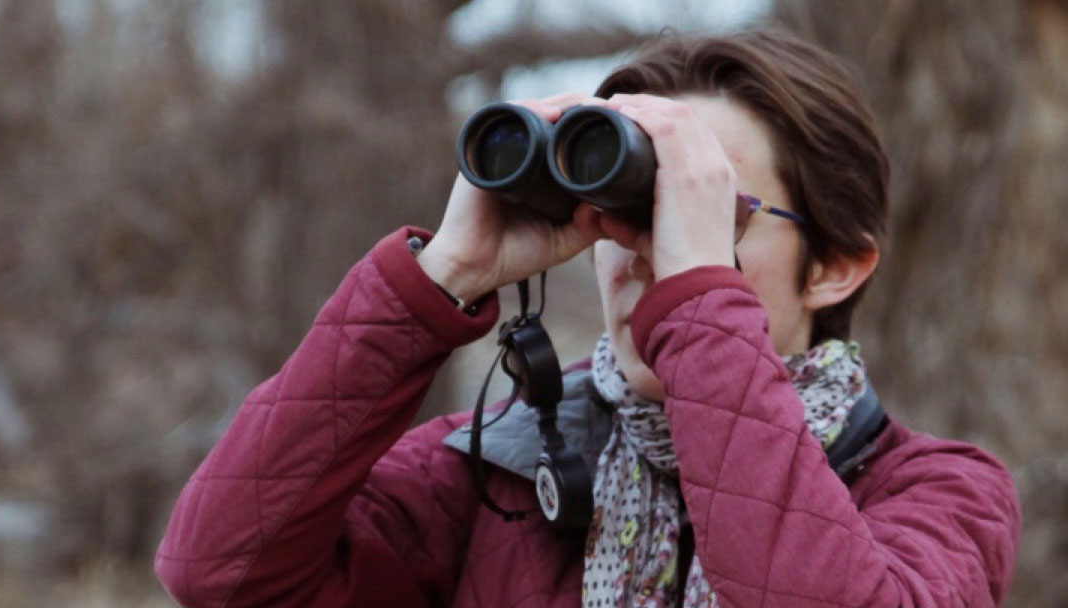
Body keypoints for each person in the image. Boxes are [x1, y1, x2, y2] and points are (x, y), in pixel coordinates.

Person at [155, 28, 1020, 607]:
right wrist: (442, 276)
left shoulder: (941, 496)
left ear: (834, 267)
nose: (651, 251)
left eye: (712, 210)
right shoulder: (496, 471)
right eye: (633, 208)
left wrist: (698, 298)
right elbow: (220, 572)